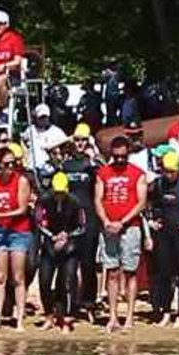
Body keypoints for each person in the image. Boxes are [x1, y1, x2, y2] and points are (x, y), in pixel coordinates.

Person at [95, 135, 147, 332]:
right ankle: (113, 316)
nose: (119, 160)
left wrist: (122, 221)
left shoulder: (137, 173)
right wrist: (107, 221)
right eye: (116, 156)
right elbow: (98, 199)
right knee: (112, 271)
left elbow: (141, 202)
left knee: (130, 271)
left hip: (130, 226)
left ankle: (130, 316)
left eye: (123, 156)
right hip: (109, 227)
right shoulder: (103, 173)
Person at [0, 145, 33, 331]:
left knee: (18, 276)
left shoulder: (21, 181)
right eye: (7, 164)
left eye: (13, 163)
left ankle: (19, 319)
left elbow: (23, 209)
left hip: (18, 231)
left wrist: (0, 215)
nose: (10, 167)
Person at [35, 171, 87, 331]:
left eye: (61, 193)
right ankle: (49, 315)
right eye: (56, 193)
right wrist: (52, 237)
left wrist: (67, 236)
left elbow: (82, 226)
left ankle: (67, 317)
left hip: (70, 244)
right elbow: (38, 222)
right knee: (44, 280)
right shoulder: (43, 200)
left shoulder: (75, 202)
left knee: (68, 280)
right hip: (50, 243)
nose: (58, 196)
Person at [147, 151, 179, 327]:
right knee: (164, 274)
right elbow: (145, 199)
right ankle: (166, 311)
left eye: (172, 171)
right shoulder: (158, 184)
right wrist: (151, 220)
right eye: (166, 171)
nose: (169, 175)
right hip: (164, 233)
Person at [60, 126, 101, 318]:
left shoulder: (92, 164)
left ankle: (89, 302)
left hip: (90, 218)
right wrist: (67, 138)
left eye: (83, 140)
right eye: (77, 140)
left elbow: (105, 169)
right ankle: (72, 301)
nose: (80, 144)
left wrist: (93, 151)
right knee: (70, 261)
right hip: (70, 219)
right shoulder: (66, 165)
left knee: (88, 263)